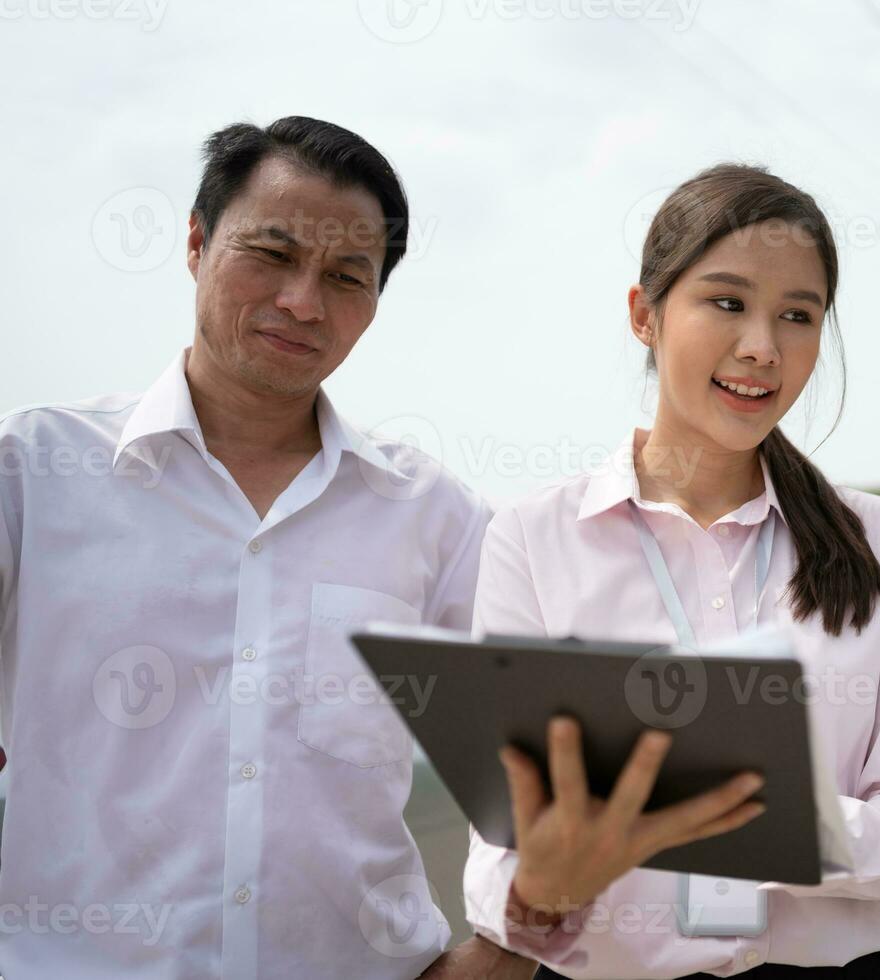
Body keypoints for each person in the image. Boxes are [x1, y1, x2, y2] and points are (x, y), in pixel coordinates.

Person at [0, 116, 525, 979]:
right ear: (198, 243)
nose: (303, 302)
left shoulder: (434, 514)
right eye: (273, 255)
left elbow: (554, 747)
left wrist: (512, 947)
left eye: (346, 276)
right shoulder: (34, 472)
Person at [459, 164, 880, 979]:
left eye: (797, 316)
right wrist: (534, 893)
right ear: (644, 316)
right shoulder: (534, 537)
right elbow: (502, 838)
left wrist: (743, 816)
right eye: (727, 303)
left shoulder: (876, 539)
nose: (763, 347)